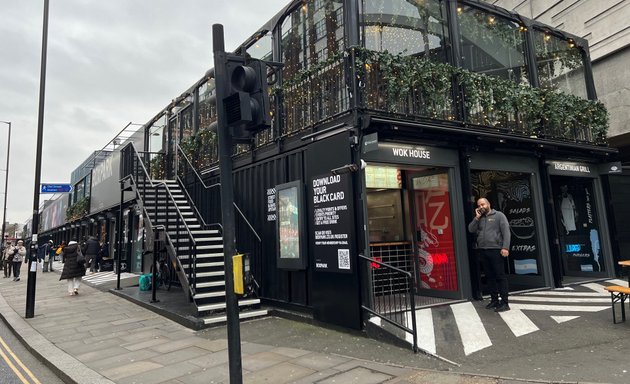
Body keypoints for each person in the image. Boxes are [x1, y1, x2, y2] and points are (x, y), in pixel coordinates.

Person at [468, 198, 511, 312]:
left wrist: (505, 247)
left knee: (500, 276)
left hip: (496, 250)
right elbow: (471, 229)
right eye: (478, 205)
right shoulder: (479, 218)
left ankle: (505, 302)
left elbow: (506, 232)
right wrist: (476, 218)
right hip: (483, 250)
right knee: (489, 276)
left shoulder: (499, 216)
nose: (481, 207)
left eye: (483, 204)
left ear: (488, 204)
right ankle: (494, 300)